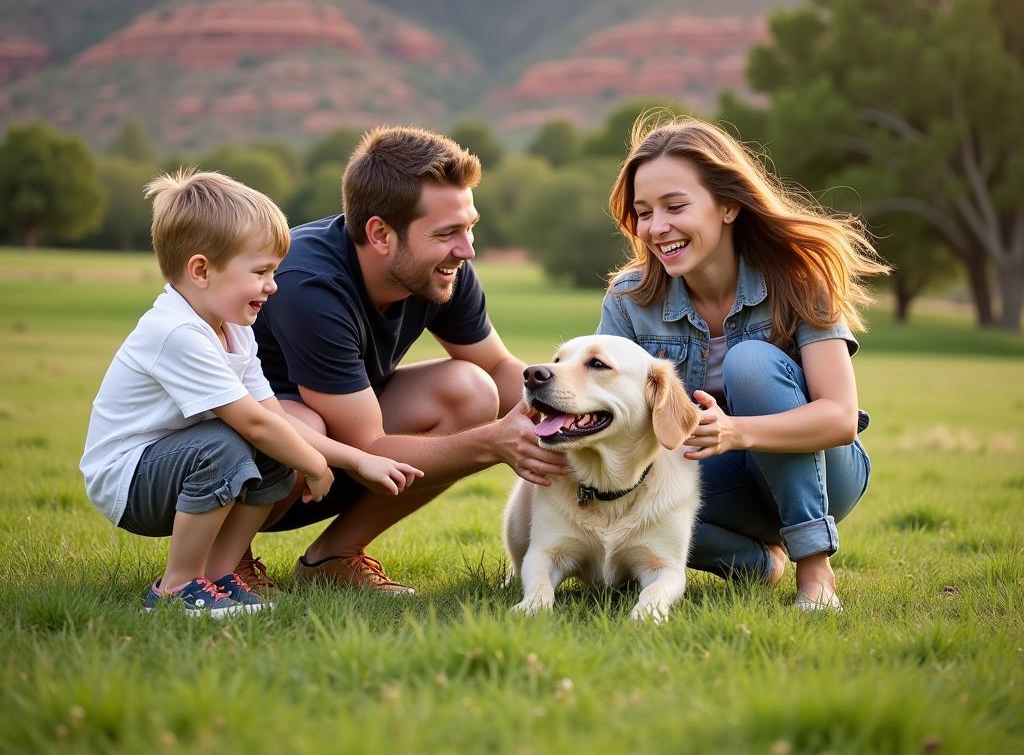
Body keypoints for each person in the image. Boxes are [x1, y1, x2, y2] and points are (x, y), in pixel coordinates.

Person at [80, 169, 421, 615]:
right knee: (231, 442)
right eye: (260, 272)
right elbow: (254, 422)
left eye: (274, 271)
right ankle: (175, 588)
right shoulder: (177, 331)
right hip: (128, 480)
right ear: (201, 270)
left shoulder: (235, 329)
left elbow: (273, 414)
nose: (273, 285)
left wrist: (357, 459)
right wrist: (317, 464)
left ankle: (221, 578)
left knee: (275, 446)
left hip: (174, 463)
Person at [251, 125, 567, 594]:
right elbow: (370, 448)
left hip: (334, 451)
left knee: (471, 389)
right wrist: (495, 442)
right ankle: (226, 562)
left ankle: (333, 558)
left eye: (469, 228)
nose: (467, 249)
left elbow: (502, 372)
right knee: (302, 428)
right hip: (239, 462)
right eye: (447, 233)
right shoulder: (308, 284)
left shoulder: (441, 269)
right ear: (380, 233)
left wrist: (568, 414)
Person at [597, 117, 888, 611]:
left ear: (729, 205)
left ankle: (815, 572)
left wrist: (737, 431)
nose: (656, 228)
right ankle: (757, 564)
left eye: (675, 206)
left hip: (825, 474)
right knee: (622, 496)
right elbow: (605, 406)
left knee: (751, 363)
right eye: (643, 212)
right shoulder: (629, 299)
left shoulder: (798, 278)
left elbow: (839, 419)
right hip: (716, 480)